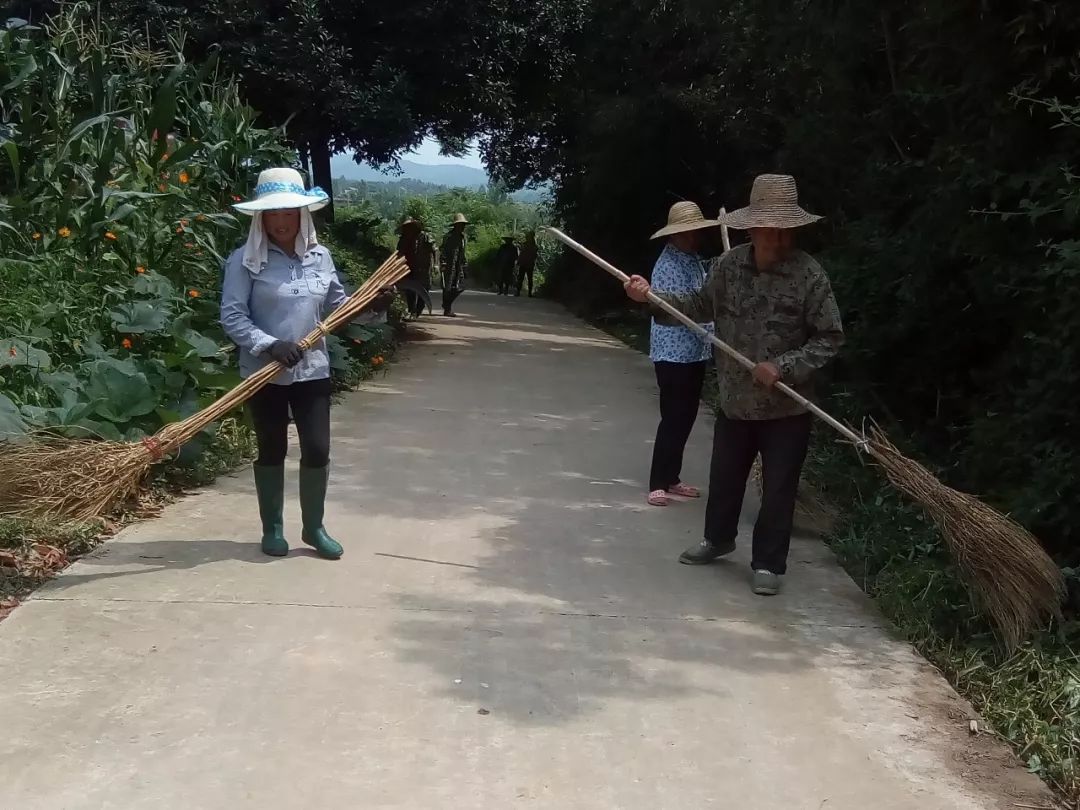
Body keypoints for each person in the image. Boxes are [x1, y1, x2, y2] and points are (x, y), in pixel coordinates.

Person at [624, 174, 843, 596]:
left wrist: (785, 365)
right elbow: (696, 307)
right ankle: (717, 539)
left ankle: (768, 565)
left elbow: (830, 336)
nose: (778, 237)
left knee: (779, 488)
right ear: (752, 226)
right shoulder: (727, 267)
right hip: (736, 401)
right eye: (770, 227)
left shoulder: (809, 275)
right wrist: (650, 297)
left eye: (786, 228)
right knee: (724, 477)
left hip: (786, 409)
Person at [221, 167, 393, 560]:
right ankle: (274, 529)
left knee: (316, 448)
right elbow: (232, 316)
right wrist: (269, 345)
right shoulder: (245, 261)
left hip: (312, 368)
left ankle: (314, 527)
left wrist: (374, 307)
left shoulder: (321, 257)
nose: (281, 222)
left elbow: (338, 307)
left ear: (303, 215)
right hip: (264, 373)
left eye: (289, 213)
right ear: (261, 218)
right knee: (272, 448)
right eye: (273, 214)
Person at [644, 201, 719, 508]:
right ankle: (657, 482)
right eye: (686, 233)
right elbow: (677, 308)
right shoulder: (667, 265)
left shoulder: (694, 260)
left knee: (687, 416)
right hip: (672, 352)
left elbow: (705, 297)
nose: (692, 238)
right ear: (673, 235)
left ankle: (673, 477)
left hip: (695, 351)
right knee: (673, 416)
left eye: (695, 232)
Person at [396, 218, 436, 318]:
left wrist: (436, 265)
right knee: (410, 290)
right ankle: (411, 310)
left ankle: (418, 311)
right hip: (408, 268)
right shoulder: (404, 239)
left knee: (423, 290)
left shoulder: (426, 237)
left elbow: (435, 250)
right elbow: (399, 253)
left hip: (424, 268)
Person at [440, 213, 469, 316]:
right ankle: (447, 308)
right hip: (449, 265)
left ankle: (446, 304)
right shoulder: (448, 237)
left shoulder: (463, 238)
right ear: (456, 225)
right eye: (460, 225)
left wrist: (465, 263)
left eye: (463, 225)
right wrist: (443, 262)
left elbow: (463, 251)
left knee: (460, 287)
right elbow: (442, 250)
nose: (462, 227)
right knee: (447, 287)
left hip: (459, 265)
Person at [516, 230, 538, 297]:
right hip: (528, 264)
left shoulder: (528, 245)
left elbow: (522, 254)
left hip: (526, 263)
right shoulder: (533, 245)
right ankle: (528, 293)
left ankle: (519, 292)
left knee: (522, 278)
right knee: (528, 278)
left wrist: (519, 261)